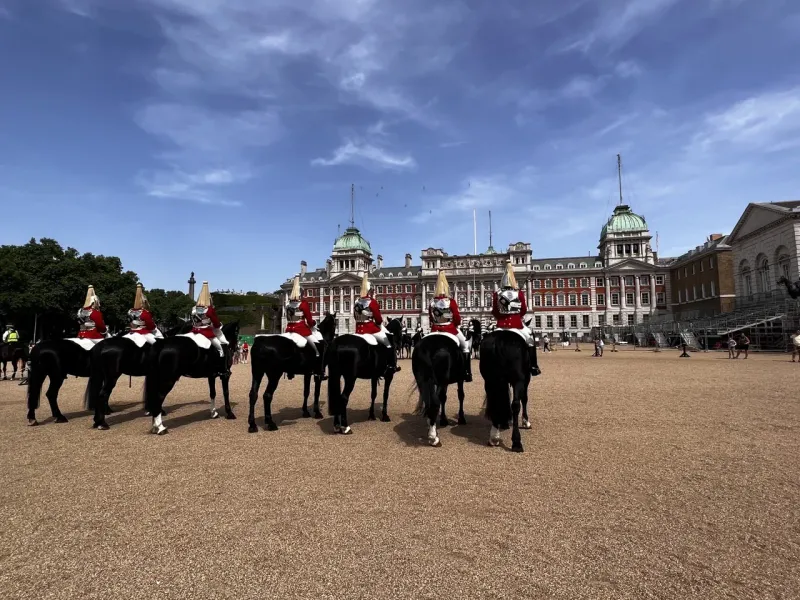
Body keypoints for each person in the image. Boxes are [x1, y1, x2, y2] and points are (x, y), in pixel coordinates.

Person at [492, 260, 538, 376]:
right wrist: (517, 316)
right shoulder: (519, 294)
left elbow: (495, 312)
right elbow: (523, 310)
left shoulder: (497, 294)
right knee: (530, 340)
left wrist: (502, 316)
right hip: (517, 325)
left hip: (500, 326)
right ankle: (533, 366)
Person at [428, 269, 472, 381]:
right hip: (450, 329)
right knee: (465, 347)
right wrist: (456, 324)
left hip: (435, 330)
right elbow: (457, 318)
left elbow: (431, 318)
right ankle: (467, 372)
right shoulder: (450, 301)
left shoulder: (432, 302)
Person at [354, 272, 399, 374]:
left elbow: (354, 316)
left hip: (358, 330)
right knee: (388, 344)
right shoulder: (372, 302)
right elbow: (378, 320)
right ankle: (391, 365)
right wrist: (378, 323)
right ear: (370, 291)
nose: (373, 292)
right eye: (372, 290)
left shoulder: (357, 302)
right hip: (370, 329)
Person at [285, 275, 325, 378]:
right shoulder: (303, 304)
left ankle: (290, 370)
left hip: (289, 329)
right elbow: (309, 319)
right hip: (300, 329)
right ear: (301, 294)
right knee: (317, 346)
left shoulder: (288, 305)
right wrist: (314, 324)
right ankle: (318, 370)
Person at [191, 281, 227, 358]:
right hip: (205, 331)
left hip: (194, 330)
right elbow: (216, 322)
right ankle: (221, 353)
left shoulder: (194, 309)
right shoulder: (209, 309)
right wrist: (218, 325)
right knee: (218, 345)